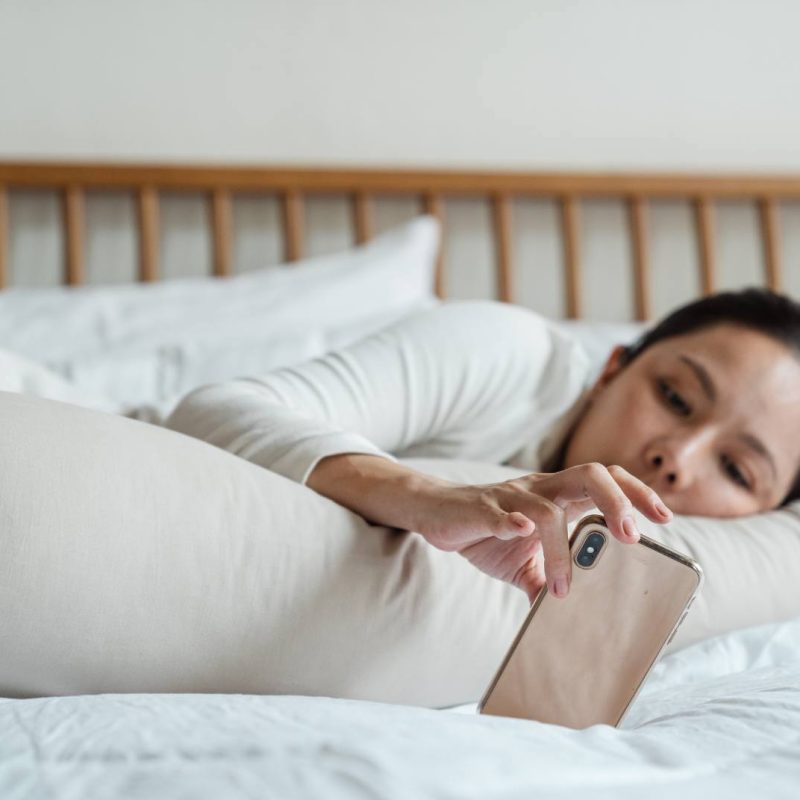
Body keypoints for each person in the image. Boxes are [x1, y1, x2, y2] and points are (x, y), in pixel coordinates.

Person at [164, 287, 800, 607]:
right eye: (677, 398)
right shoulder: (511, 354)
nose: (677, 459)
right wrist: (423, 495)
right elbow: (211, 413)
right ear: (611, 368)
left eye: (737, 470)